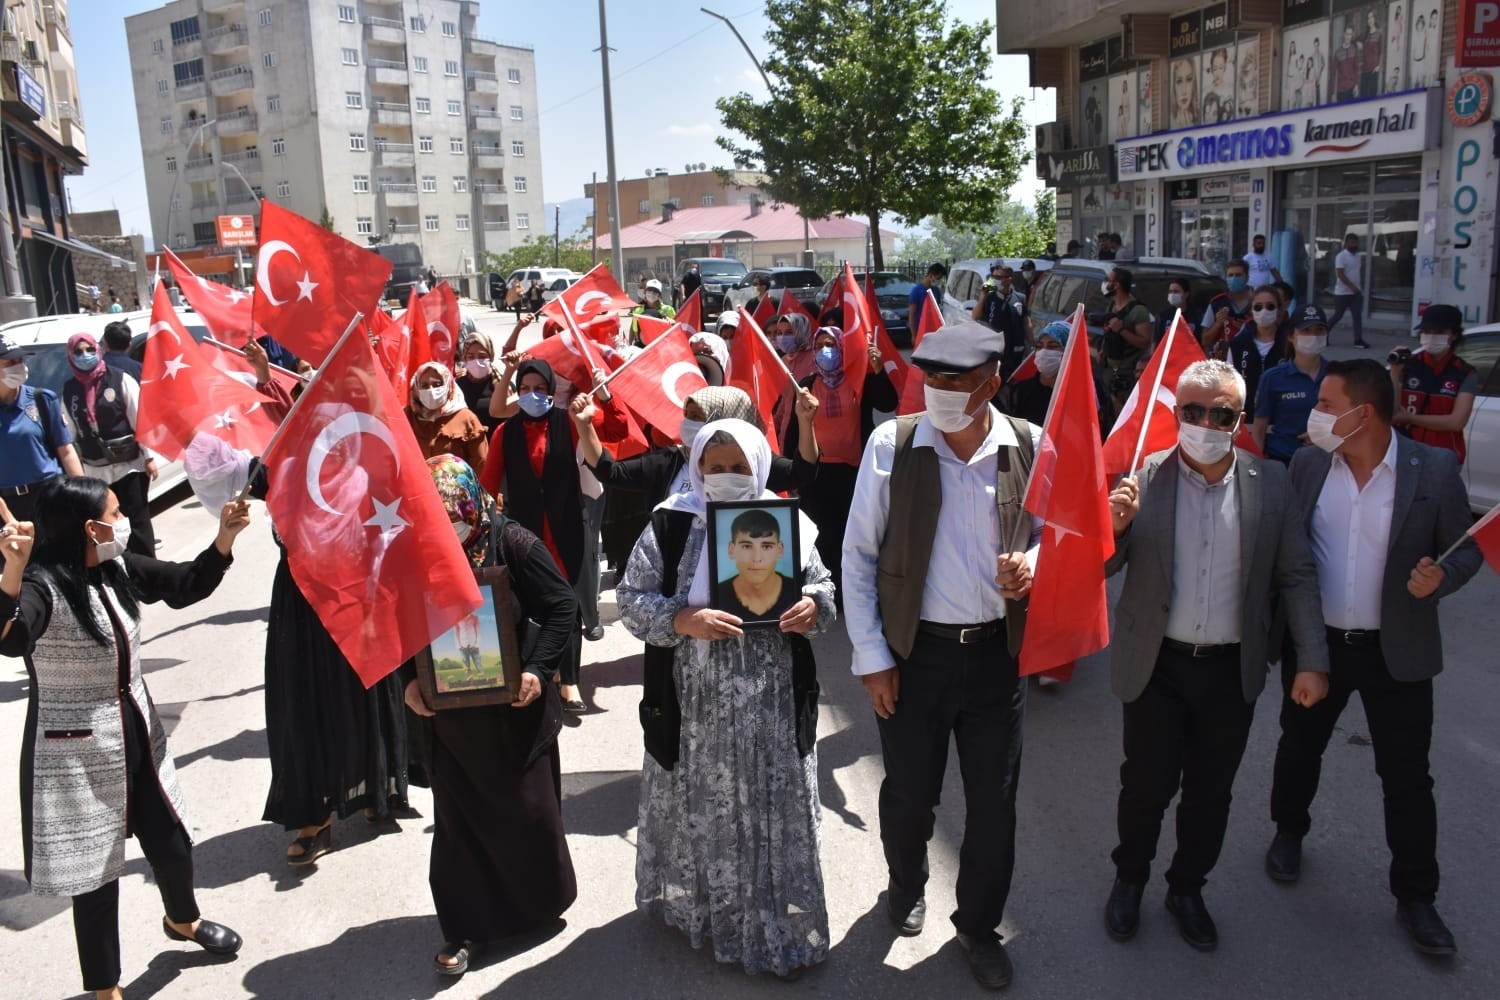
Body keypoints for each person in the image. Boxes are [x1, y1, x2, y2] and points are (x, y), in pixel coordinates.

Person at [1102, 359, 1329, 953]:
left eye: (1220, 413)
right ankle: (1130, 879)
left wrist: (1313, 658)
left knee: (1210, 792)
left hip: (1231, 669)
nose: (1205, 422)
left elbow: (1298, 575)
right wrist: (1114, 526)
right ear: (1176, 413)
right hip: (1157, 665)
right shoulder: (1142, 478)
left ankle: (1186, 888)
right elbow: (1099, 569)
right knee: (1146, 786)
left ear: (1237, 418)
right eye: (1193, 411)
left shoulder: (1271, 483)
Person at [842, 322, 1043, 989]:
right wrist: (873, 658)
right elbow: (860, 556)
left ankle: (980, 927)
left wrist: (1035, 564)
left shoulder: (1028, 445)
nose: (940, 392)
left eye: (956, 381)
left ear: (992, 382)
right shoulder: (892, 445)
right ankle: (905, 887)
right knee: (909, 796)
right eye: (932, 378)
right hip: (914, 656)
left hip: (995, 660)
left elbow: (1061, 535)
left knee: (994, 805)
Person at [0, 479, 252, 1000]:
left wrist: (223, 538)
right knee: (95, 875)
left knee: (172, 841)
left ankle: (182, 921)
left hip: (137, 731)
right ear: (91, 527)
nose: (125, 519)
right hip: (73, 751)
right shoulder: (43, 584)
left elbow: (184, 584)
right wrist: (13, 570)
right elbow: (11, 638)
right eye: (115, 512)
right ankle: (105, 987)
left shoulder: (115, 567)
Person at [1266, 359, 1482, 957]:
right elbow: (1292, 561)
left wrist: (1439, 579)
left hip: (1399, 653)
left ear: (1364, 414)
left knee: (1408, 777)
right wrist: (1296, 645)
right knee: (1298, 745)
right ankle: (1289, 829)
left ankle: (1416, 896)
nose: (1317, 413)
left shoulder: (1433, 469)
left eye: (1328, 404)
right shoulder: (1308, 464)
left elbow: (1464, 550)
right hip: (1320, 645)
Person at [619, 418, 834, 980]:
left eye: (739, 467)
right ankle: (711, 910)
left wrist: (814, 607)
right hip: (695, 703)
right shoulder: (670, 523)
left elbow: (823, 588)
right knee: (706, 805)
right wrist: (683, 619)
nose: (727, 478)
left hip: (772, 698)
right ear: (697, 468)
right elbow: (631, 598)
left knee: (768, 804)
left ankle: (767, 918)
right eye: (715, 469)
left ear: (759, 465)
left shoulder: (790, 523)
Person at [402, 456, 578, 977]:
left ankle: (536, 905)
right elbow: (399, 622)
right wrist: (407, 683)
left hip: (514, 710)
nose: (451, 532)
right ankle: (467, 928)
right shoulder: (415, 551)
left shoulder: (513, 543)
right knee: (460, 825)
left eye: (457, 518)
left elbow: (562, 606)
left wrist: (538, 669)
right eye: (440, 522)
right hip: (450, 718)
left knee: (528, 815)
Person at [481, 359, 624, 713]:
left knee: (568, 601)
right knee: (537, 602)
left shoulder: (569, 424)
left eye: (540, 389)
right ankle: (545, 670)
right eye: (525, 389)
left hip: (567, 528)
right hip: (526, 534)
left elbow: (616, 429)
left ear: (550, 391)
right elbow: (487, 483)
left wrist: (603, 393)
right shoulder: (505, 432)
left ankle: (570, 681)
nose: (533, 395)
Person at [578, 385, 820, 573]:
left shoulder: (752, 463)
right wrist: (585, 426)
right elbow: (610, 473)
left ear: (724, 416)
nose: (688, 423)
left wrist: (806, 422)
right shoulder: (666, 462)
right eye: (687, 415)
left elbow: (802, 473)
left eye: (697, 416)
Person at [784, 327, 897, 604]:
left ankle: (852, 593)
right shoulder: (808, 384)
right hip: (817, 474)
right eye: (821, 344)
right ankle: (825, 592)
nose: (826, 350)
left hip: (854, 472)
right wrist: (792, 474)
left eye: (832, 344)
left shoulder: (858, 380)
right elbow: (796, 427)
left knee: (852, 533)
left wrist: (877, 369)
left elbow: (888, 402)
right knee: (821, 535)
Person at [59, 333, 158, 557]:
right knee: (108, 525)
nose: (85, 355)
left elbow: (140, 419)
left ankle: (148, 574)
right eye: (78, 352)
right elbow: (69, 434)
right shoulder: (69, 391)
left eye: (89, 350)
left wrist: (149, 457)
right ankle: (123, 573)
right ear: (70, 356)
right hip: (96, 471)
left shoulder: (120, 379)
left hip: (129, 466)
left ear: (98, 349)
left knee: (137, 523)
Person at [0, 334, 84, 523]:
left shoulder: (41, 399)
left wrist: (83, 494)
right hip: (5, 506)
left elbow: (66, 451)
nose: (19, 366)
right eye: (10, 362)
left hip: (48, 496)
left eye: (20, 360)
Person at [1391, 304, 1478, 464]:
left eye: (1439, 332)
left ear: (1454, 335)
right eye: (1426, 332)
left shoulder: (1465, 373)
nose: (1431, 337)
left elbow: (1456, 422)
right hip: (1403, 453)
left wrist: (1410, 418)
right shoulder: (1408, 366)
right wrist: (1395, 372)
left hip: (1442, 457)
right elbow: (1393, 412)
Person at [1253, 305, 1330, 463]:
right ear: (1291, 336)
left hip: (1326, 462)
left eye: (1319, 331)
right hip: (1284, 460)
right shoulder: (1273, 378)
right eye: (1306, 331)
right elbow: (1259, 429)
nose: (1313, 336)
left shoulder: (1337, 375)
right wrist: (1255, 468)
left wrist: (1328, 435)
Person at [716, 507, 799, 623]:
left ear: (780, 550)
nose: (757, 558)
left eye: (766, 546)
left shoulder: (797, 590)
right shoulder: (717, 595)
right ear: (731, 550)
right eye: (746, 546)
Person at [405, 361, 488, 473]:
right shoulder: (406, 417)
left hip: (456, 488)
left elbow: (480, 462)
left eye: (437, 385)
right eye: (424, 386)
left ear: (448, 385)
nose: (431, 390)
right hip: (415, 488)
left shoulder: (466, 418)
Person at [1228, 285, 1292, 418]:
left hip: (1281, 419)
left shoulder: (1290, 343)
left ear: (1279, 309)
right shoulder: (1237, 344)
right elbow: (1228, 383)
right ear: (1251, 310)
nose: (1264, 311)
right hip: (1246, 418)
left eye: (1270, 306)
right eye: (1258, 307)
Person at [973, 263, 1032, 377]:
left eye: (999, 277)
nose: (996, 280)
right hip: (994, 348)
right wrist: (982, 296)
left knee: (1012, 379)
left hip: (1015, 349)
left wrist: (1032, 343)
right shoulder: (989, 298)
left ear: (1009, 279)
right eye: (994, 277)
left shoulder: (1020, 298)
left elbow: (1026, 321)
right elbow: (975, 317)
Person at [1100, 266, 1153, 374]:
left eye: (1108, 280)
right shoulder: (1112, 306)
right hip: (1110, 369)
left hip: (1129, 370)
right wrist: (1103, 351)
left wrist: (1121, 330)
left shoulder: (1138, 310)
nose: (1105, 284)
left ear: (1117, 285)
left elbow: (1144, 343)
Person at [1200, 258, 1255, 356]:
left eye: (1238, 275)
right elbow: (1205, 341)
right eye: (1230, 275)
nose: (1234, 278)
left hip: (1250, 360)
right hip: (1223, 363)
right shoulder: (1216, 303)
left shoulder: (1259, 300)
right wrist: (1218, 324)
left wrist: (1246, 329)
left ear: (1247, 277)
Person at [455, 330, 504, 434]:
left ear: (490, 356)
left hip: (497, 446)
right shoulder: (458, 386)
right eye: (471, 357)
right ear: (465, 358)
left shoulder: (502, 385)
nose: (476, 361)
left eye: (482, 356)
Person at [1325, 233, 1368, 347]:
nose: (1354, 245)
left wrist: (1357, 288)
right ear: (1346, 243)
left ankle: (1358, 340)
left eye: (1356, 242)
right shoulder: (1341, 256)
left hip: (1356, 293)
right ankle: (1323, 335)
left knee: (1357, 317)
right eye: (1352, 242)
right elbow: (1340, 274)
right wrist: (1351, 286)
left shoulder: (1358, 256)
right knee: (1338, 315)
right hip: (1342, 293)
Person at [1153, 277, 1200, 346]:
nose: (1172, 295)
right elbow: (1155, 342)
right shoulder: (1162, 316)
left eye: (1176, 292)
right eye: (1170, 291)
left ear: (1186, 294)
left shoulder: (1197, 315)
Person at [629, 278, 676, 344]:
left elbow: (675, 329)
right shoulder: (638, 311)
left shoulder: (668, 310)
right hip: (642, 346)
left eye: (655, 291)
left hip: (662, 345)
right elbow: (633, 328)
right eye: (650, 290)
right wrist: (630, 343)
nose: (652, 293)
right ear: (645, 292)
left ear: (659, 294)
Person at [907, 262, 947, 333]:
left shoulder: (936, 291)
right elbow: (911, 315)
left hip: (934, 330)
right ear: (931, 275)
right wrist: (913, 334)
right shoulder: (916, 291)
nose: (938, 281)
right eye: (938, 278)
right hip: (920, 330)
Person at [1170, 57, 1200, 128]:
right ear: (1174, 86)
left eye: (1189, 79)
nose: (1184, 91)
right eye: (1179, 81)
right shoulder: (1168, 122)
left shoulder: (1202, 118)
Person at [1333, 25, 1359, 101]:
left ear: (1352, 36)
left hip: (1352, 89)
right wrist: (1333, 93)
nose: (1348, 37)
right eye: (1347, 34)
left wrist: (1356, 85)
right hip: (1341, 90)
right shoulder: (1338, 52)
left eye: (1350, 34)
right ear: (1344, 34)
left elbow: (1356, 69)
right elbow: (1333, 73)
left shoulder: (1354, 50)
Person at [1361, 10, 1384, 97]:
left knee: (1372, 96)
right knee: (1363, 97)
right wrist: (1359, 44)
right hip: (1364, 70)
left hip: (1373, 70)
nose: (1370, 19)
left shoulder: (1379, 34)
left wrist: (1378, 66)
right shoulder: (1365, 35)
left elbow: (1381, 52)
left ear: (1375, 19)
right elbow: (1355, 40)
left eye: (1371, 17)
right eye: (1368, 18)